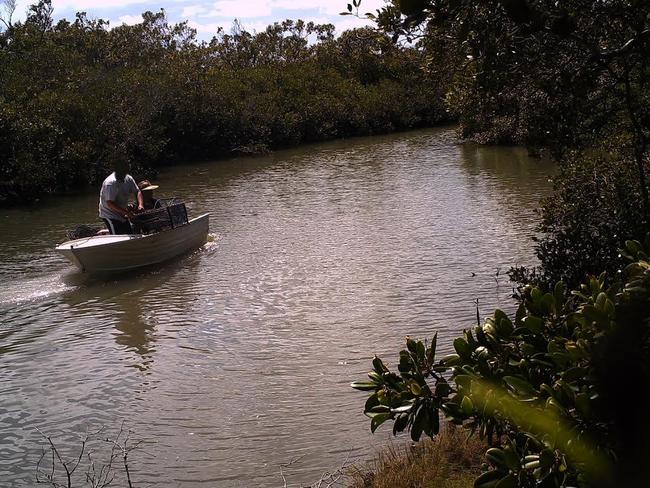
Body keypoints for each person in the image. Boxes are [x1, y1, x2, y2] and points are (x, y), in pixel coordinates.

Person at [98, 160, 143, 234]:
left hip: (122, 212)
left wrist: (140, 205)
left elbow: (137, 191)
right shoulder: (110, 183)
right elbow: (110, 203)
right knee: (117, 238)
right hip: (109, 213)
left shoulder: (129, 178)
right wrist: (127, 213)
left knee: (129, 234)